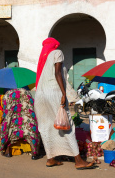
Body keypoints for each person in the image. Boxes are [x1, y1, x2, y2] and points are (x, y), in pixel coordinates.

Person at [34, 37, 95, 169]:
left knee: (46, 125)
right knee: (67, 124)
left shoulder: (43, 59)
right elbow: (57, 73)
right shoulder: (57, 53)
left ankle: (50, 158)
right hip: (54, 93)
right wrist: (63, 93)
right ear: (55, 45)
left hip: (40, 95)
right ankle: (78, 160)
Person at [0, 88, 41, 159]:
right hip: (27, 116)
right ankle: (34, 154)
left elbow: (5, 112)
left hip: (13, 115)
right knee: (30, 130)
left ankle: (7, 151)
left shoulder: (7, 94)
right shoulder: (27, 93)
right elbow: (33, 107)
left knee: (9, 128)